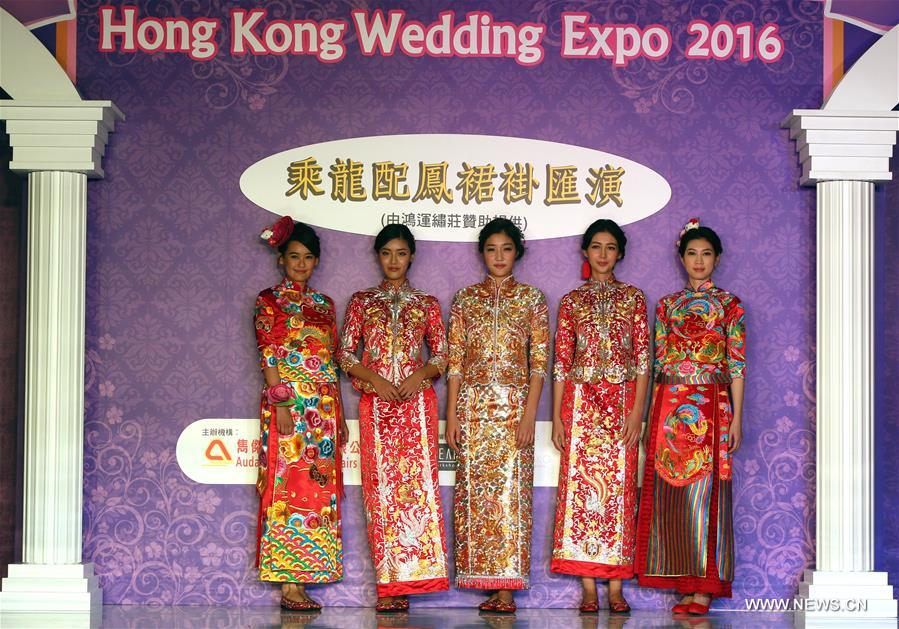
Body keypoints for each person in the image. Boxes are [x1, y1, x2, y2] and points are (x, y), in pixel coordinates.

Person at [336, 224, 450, 612]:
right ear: (378, 256)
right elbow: (345, 354)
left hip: (417, 405)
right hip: (377, 404)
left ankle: (418, 577)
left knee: (416, 492)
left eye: (401, 253)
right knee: (381, 492)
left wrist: (420, 375)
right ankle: (390, 587)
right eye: (387, 253)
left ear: (411, 256)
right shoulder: (362, 301)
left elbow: (442, 353)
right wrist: (374, 380)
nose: (394, 261)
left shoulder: (427, 303)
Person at [635, 218, 746, 615]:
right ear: (682, 259)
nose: (699, 261)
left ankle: (705, 589)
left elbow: (736, 364)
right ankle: (685, 582)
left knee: (708, 494)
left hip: (711, 407)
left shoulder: (730, 306)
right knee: (675, 493)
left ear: (717, 259)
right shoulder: (666, 306)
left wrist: (736, 417)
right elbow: (660, 361)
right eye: (692, 254)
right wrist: (651, 416)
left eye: (706, 254)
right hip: (668, 405)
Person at [445, 218, 549, 614]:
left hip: (514, 410)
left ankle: (506, 589)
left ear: (517, 252)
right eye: (491, 249)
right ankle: (484, 578)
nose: (499, 256)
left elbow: (538, 364)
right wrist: (453, 414)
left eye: (507, 248)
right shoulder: (465, 299)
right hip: (472, 409)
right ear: (482, 253)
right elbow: (455, 363)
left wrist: (528, 416)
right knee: (474, 495)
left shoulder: (532, 299)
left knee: (511, 496)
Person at [550, 219, 650, 614]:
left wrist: (637, 413)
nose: (604, 254)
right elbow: (561, 363)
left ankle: (615, 586)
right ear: (586, 253)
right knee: (580, 495)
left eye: (611, 247)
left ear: (620, 252)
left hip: (622, 404)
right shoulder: (573, 301)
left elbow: (643, 360)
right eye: (596, 247)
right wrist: (559, 418)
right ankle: (589, 587)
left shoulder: (634, 298)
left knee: (620, 495)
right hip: (581, 405)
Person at [253, 216, 348, 611]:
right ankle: (287, 585)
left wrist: (339, 413)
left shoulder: (325, 305)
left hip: (323, 409)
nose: (301, 264)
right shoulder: (268, 301)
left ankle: (305, 577)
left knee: (318, 491)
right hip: (288, 404)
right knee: (285, 490)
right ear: (280, 259)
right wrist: (281, 405)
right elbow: (268, 353)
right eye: (294, 257)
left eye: (309, 258)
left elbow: (331, 361)